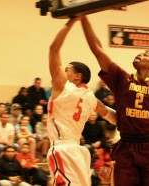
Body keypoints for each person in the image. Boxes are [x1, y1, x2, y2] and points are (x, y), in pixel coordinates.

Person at [80, 16, 149, 186]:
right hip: (126, 145)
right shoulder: (121, 79)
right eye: (139, 53)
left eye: (145, 55)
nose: (140, 54)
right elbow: (97, 49)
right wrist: (83, 17)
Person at [47, 17, 116, 186]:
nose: (64, 71)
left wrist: (72, 20)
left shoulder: (63, 87)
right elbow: (113, 117)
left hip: (62, 148)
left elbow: (53, 49)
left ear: (78, 76)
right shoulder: (92, 98)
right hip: (79, 151)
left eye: (67, 69)